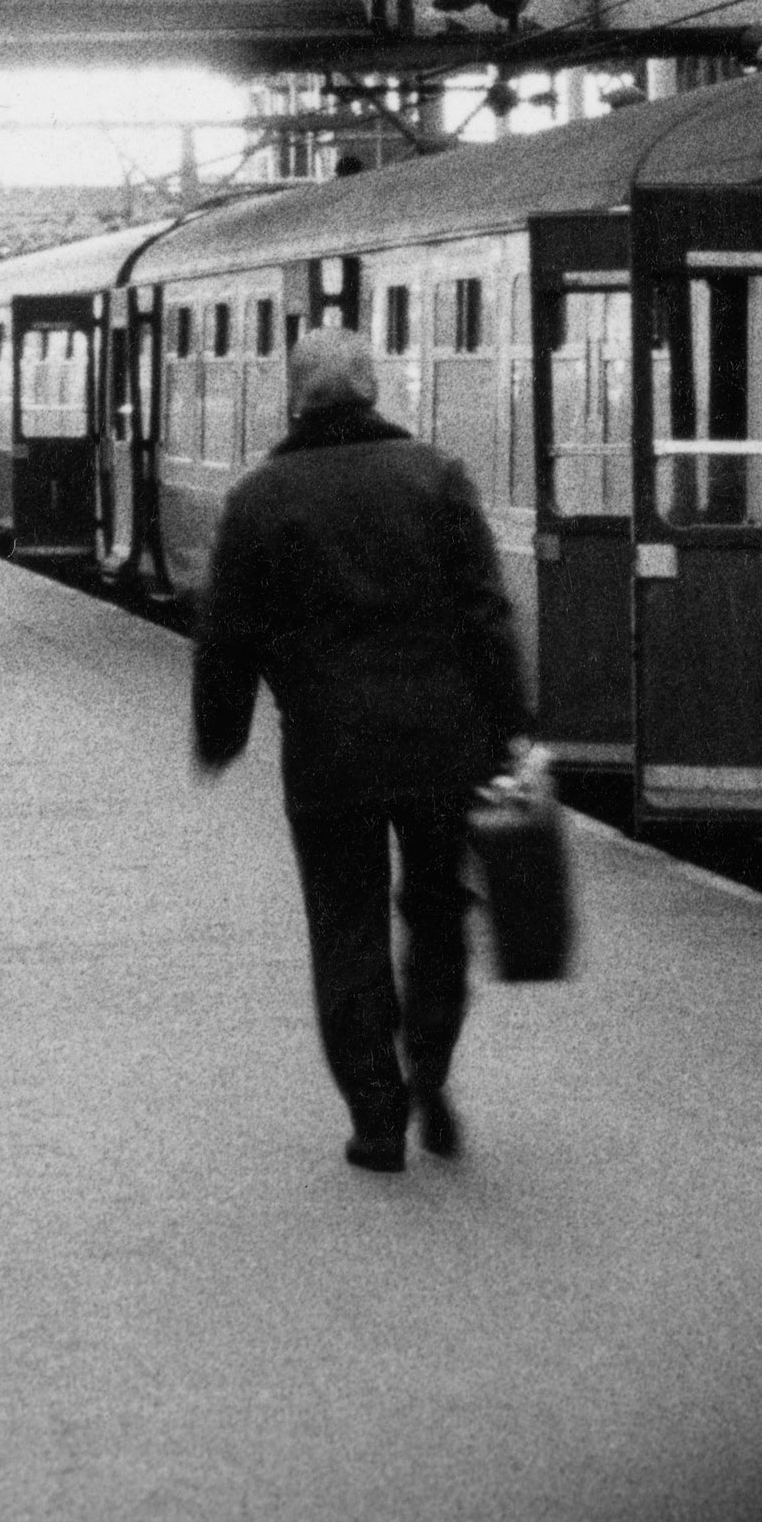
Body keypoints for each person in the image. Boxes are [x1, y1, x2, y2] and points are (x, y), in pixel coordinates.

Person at [189, 321, 534, 1174]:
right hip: (442, 747)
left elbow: (226, 633)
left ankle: (377, 1117)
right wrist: (514, 729)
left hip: (329, 752)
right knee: (438, 913)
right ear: (377, 389)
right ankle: (432, 1073)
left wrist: (220, 733)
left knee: (345, 930)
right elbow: (486, 613)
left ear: (292, 397)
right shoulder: (435, 476)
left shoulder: (262, 497)